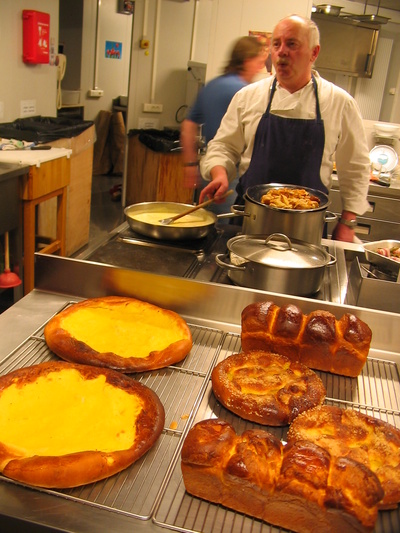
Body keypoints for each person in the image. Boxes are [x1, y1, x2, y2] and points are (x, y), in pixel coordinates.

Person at [199, 14, 371, 242]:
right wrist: (219, 173)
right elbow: (224, 146)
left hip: (307, 228)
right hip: (250, 222)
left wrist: (348, 222)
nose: (282, 51)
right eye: (276, 44)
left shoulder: (339, 102)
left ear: (314, 52)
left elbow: (356, 166)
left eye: (292, 44)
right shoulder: (248, 97)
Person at [180, 36, 266, 212]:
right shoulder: (244, 93)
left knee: (208, 223)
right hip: (231, 174)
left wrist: (190, 166)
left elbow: (188, 126)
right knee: (226, 228)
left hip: (210, 169)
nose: (261, 67)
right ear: (247, 60)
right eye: (260, 62)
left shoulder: (212, 85)